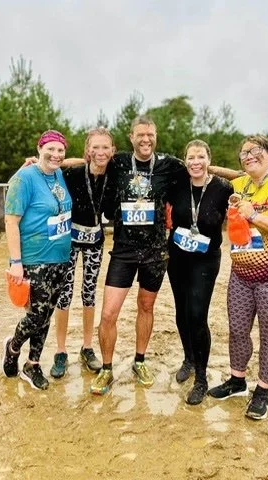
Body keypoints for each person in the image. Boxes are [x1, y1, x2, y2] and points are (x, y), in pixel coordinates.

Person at [89, 115, 240, 395]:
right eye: (140, 135)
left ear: (155, 136)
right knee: (109, 313)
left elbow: (200, 167)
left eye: (150, 134)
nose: (145, 139)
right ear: (131, 137)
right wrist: (44, 161)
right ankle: (107, 369)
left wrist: (244, 175)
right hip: (123, 250)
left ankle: (140, 361)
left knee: (146, 308)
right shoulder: (119, 161)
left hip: (155, 251)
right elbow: (89, 160)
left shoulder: (169, 165)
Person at [208, 135, 268, 420]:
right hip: (241, 275)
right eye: (244, 153)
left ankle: (262, 390)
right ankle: (237, 380)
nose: (248, 156)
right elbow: (235, 173)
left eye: (255, 151)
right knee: (237, 330)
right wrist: (208, 166)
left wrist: (254, 216)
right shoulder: (241, 184)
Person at [2, 130, 72, 390]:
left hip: (60, 258)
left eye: (60, 150)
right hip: (34, 259)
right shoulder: (25, 177)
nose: (55, 154)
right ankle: (13, 347)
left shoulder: (59, 174)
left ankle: (33, 364)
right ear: (39, 148)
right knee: (36, 316)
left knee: (46, 315)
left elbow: (71, 162)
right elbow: (11, 221)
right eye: (50, 149)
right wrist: (15, 262)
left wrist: (86, 158)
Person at [167, 139, 233, 405]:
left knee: (197, 314)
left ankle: (202, 378)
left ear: (209, 160)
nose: (195, 162)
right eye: (190, 157)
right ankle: (188, 359)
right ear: (185, 161)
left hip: (206, 260)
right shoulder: (176, 183)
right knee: (181, 312)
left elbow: (245, 181)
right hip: (178, 257)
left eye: (201, 157)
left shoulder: (223, 188)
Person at [50, 127, 115, 379]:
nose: (100, 152)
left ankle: (87, 347)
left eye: (105, 147)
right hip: (69, 239)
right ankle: (60, 350)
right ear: (87, 150)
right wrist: (36, 160)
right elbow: (53, 164)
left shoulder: (115, 172)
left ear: (112, 151)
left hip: (96, 239)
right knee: (64, 294)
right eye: (94, 147)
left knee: (89, 293)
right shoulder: (72, 173)